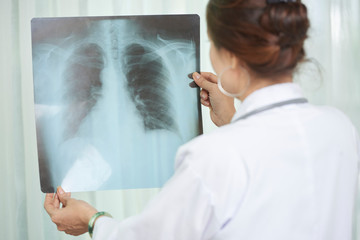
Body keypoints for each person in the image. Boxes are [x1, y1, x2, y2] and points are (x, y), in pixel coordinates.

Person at [44, 0, 360, 239]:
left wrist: (91, 219)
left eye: (212, 44)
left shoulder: (212, 157)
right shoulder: (340, 128)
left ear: (231, 57)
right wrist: (234, 120)